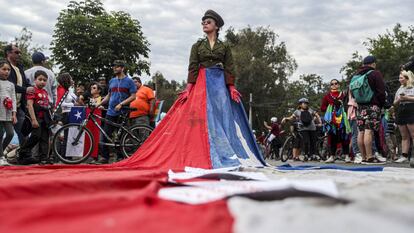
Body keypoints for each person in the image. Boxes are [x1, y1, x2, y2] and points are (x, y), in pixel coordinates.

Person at [118, 10, 265, 169]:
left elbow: (230, 67)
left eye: (208, 22)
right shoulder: (197, 46)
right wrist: (188, 88)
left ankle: (227, 151)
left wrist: (231, 87)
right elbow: (193, 67)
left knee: (222, 115)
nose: (204, 24)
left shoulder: (225, 46)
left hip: (219, 83)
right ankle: (202, 150)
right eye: (203, 22)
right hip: (202, 82)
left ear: (216, 26)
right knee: (201, 115)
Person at [95, 60, 137, 164]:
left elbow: (133, 96)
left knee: (121, 136)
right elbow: (109, 96)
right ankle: (104, 157)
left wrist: (122, 104)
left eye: (117, 66)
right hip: (110, 111)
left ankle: (120, 157)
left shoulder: (129, 81)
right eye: (113, 66)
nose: (114, 68)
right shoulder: (112, 81)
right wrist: (99, 104)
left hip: (123, 111)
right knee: (105, 134)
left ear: (122, 68)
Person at [350, 55, 386, 164]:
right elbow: (381, 91)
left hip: (360, 107)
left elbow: (352, 93)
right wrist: (381, 104)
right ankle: (370, 157)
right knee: (369, 131)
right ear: (373, 63)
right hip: (373, 106)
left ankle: (364, 157)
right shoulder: (375, 73)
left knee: (361, 131)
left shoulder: (356, 76)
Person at [18, 70, 51, 165]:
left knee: (45, 137)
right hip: (36, 117)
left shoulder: (45, 92)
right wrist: (33, 120)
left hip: (45, 118)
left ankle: (43, 157)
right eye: (40, 79)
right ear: (35, 80)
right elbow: (30, 105)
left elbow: (46, 106)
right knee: (36, 136)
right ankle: (23, 153)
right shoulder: (32, 90)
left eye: (44, 80)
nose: (42, 82)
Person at [4, 44, 34, 145]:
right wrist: (26, 90)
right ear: (8, 53)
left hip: (18, 106)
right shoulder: (4, 66)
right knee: (7, 134)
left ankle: (23, 155)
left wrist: (32, 88)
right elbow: (10, 85)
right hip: (4, 107)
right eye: (16, 52)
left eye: (20, 52)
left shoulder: (19, 66)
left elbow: (25, 82)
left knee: (23, 133)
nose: (19, 54)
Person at [321, 79, 351, 163]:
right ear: (330, 86)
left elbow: (348, 104)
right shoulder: (327, 96)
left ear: (339, 85)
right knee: (332, 138)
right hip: (332, 121)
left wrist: (341, 104)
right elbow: (322, 108)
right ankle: (332, 156)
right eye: (332, 84)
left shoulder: (343, 95)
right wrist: (331, 105)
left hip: (343, 120)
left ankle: (347, 156)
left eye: (336, 83)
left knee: (344, 137)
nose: (334, 85)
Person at [394, 70, 414, 167]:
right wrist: (399, 99)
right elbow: (394, 102)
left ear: (407, 78)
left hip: (411, 109)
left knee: (413, 134)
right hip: (401, 110)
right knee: (404, 136)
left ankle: (412, 155)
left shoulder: (413, 87)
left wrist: (407, 98)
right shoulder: (399, 89)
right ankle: (404, 156)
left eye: (401, 77)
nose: (399, 79)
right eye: (399, 77)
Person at [0, 60, 17, 166]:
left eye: (8, 69)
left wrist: (14, 113)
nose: (6, 71)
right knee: (0, 135)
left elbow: (14, 99)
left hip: (7, 112)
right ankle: (1, 157)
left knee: (10, 133)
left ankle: (1, 151)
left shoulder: (11, 84)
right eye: (4, 69)